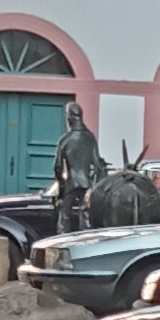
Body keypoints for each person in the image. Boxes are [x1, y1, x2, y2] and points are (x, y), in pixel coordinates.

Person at [51, 97, 103, 231]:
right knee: (84, 215)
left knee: (64, 216)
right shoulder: (90, 137)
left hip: (70, 183)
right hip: (86, 182)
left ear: (69, 118)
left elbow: (57, 166)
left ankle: (63, 239)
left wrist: (61, 185)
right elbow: (97, 164)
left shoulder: (65, 140)